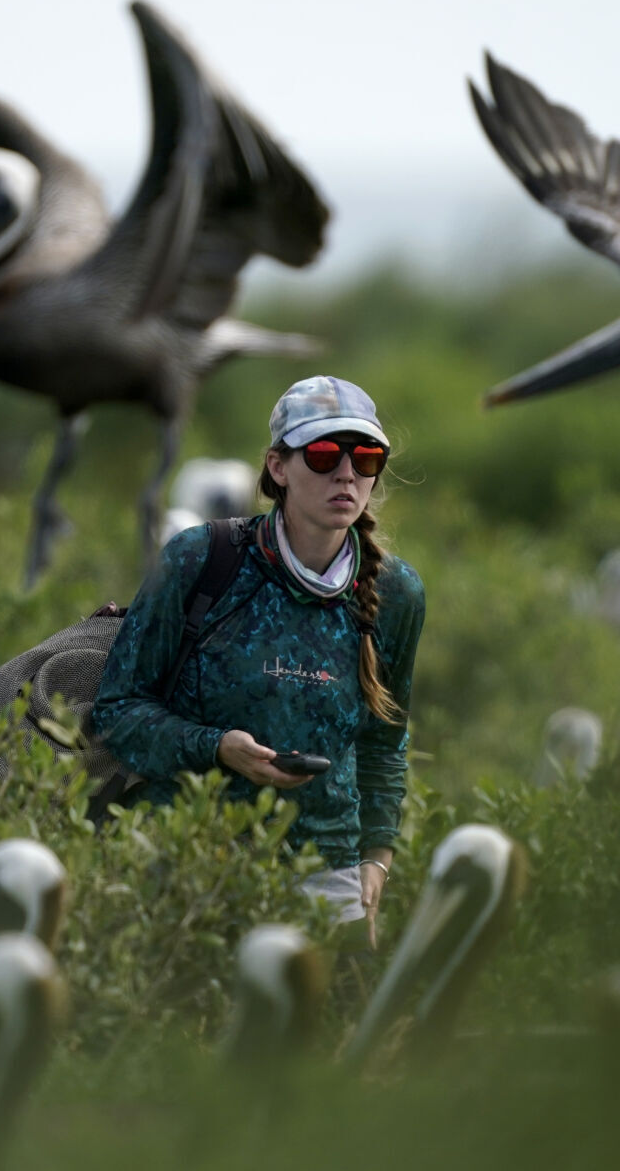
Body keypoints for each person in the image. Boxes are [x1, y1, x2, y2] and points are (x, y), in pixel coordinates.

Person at [91, 376, 425, 946]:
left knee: (335, 1035)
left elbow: (384, 741)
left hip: (327, 875)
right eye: (323, 454)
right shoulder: (201, 558)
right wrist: (217, 747)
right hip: (180, 863)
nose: (347, 473)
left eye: (366, 457)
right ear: (277, 466)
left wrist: (376, 858)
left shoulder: (397, 593)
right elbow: (117, 712)